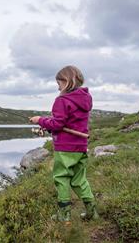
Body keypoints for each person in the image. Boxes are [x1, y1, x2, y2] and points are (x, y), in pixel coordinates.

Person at [29, 65, 99, 226]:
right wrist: (49, 124)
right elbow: (65, 122)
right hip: (80, 146)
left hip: (65, 148)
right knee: (79, 179)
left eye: (59, 82)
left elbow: (58, 123)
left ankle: (64, 214)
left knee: (61, 178)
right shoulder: (86, 99)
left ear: (67, 81)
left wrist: (40, 120)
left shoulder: (61, 100)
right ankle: (92, 211)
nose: (57, 86)